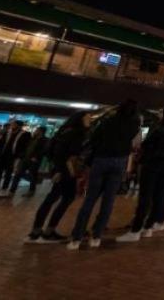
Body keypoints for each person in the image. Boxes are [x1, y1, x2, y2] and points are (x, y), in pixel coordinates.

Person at [68, 100, 142, 250]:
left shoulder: (108, 122)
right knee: (108, 202)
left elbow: (94, 140)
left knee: (90, 199)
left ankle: (77, 237)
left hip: (101, 159)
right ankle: (96, 236)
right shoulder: (134, 125)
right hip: (119, 162)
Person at [118, 106, 164, 242]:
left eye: (162, 112)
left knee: (145, 197)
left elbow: (146, 145)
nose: (159, 114)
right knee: (158, 196)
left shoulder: (160, 130)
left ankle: (135, 230)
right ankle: (148, 227)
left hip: (153, 164)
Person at [26, 111, 90, 244]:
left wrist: (55, 168)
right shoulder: (77, 133)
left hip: (59, 168)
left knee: (51, 198)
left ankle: (36, 231)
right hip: (66, 170)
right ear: (80, 119)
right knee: (66, 198)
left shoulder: (64, 131)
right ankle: (49, 231)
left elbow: (50, 151)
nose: (89, 119)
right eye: (87, 117)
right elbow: (68, 153)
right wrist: (62, 170)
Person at [0, 120, 31, 198]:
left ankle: (4, 189)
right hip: (3, 154)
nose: (12, 126)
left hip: (13, 156)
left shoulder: (25, 134)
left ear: (19, 126)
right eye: (12, 124)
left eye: (14, 124)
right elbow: (0, 143)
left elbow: (25, 146)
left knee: (8, 173)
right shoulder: (7, 133)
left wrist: (20, 156)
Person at [9, 127, 49, 197]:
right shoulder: (32, 138)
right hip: (25, 158)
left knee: (32, 176)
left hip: (34, 160)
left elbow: (44, 150)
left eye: (37, 130)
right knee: (18, 174)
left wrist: (36, 157)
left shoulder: (45, 140)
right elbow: (26, 147)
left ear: (41, 131)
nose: (35, 131)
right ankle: (12, 191)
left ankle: (31, 191)